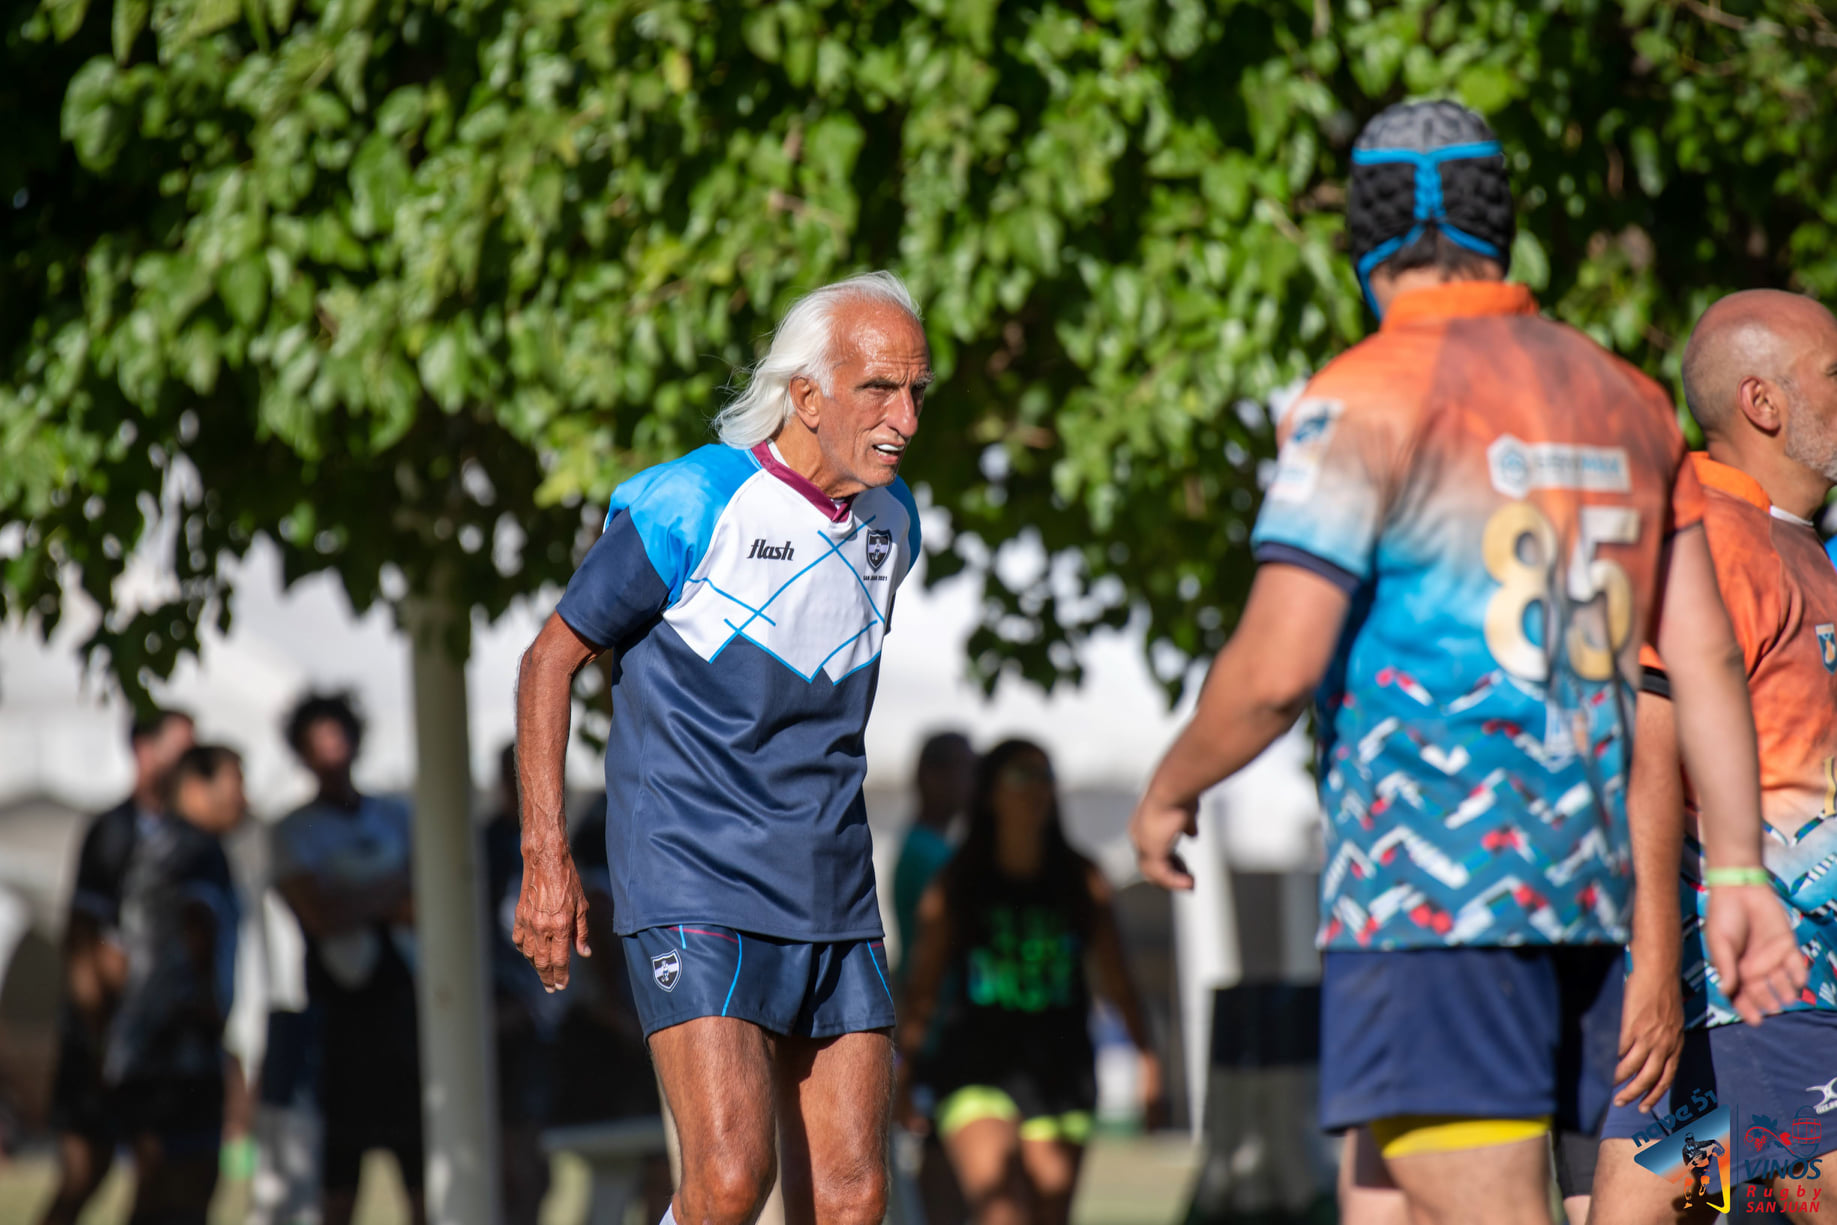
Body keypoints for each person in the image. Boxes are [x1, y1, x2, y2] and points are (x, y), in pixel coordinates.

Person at [1127, 100, 1804, 1225]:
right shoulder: (1625, 397)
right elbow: (1697, 659)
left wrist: (1170, 789)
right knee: (1382, 1200)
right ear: (1504, 231)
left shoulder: (1367, 392)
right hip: (1587, 904)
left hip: (1435, 897)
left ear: (1365, 240)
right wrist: (1732, 871)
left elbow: (1275, 667)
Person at [514, 270, 928, 1225]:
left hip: (832, 884)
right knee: (734, 1179)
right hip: (694, 876)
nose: (903, 415)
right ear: (806, 393)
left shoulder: (893, 526)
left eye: (916, 390)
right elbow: (548, 661)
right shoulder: (689, 502)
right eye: (877, 387)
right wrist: (548, 858)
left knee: (856, 1196)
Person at [1585, 293, 1837, 1222]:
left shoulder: (1800, 543)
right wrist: (1652, 969)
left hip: (1781, 1007)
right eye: (1832, 374)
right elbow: (1648, 753)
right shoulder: (1716, 535)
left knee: (1657, 1200)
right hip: (1761, 997)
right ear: (1763, 403)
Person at [898, 739, 1161, 1225]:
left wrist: (1149, 1061)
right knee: (1002, 1212)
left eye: (1045, 777)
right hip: (974, 1068)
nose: (1037, 789)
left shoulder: (1083, 879)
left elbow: (1119, 982)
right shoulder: (955, 881)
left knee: (1047, 1213)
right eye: (1021, 776)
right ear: (990, 793)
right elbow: (922, 988)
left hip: (1061, 1071)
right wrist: (903, 1070)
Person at [271, 693, 423, 1225]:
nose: (331, 752)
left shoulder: (395, 814)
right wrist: (388, 896)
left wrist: (354, 901)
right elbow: (318, 914)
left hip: (404, 1007)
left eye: (338, 737)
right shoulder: (294, 830)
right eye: (318, 743)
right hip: (338, 1016)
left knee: (421, 1174)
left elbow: (424, 902)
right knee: (338, 1180)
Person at [39, 707, 194, 1225]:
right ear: (145, 753)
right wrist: (101, 1033)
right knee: (85, 1174)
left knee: (160, 1177)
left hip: (158, 1042)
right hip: (105, 1036)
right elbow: (83, 939)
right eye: (181, 750)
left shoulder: (190, 840)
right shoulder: (113, 832)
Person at [106, 743, 246, 1225]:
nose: (242, 799)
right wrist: (209, 1006)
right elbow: (197, 920)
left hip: (149, 1043)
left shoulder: (158, 843)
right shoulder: (198, 849)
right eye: (234, 784)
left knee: (160, 1191)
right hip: (177, 1045)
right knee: (183, 1186)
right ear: (196, 787)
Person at [483, 744, 561, 1225]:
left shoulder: (566, 836)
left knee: (535, 1169)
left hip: (548, 1022)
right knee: (514, 1166)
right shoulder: (489, 845)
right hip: (507, 1024)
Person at [892, 731, 977, 973]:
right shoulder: (929, 854)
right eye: (965, 769)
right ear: (930, 776)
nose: (973, 782)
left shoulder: (923, 845)